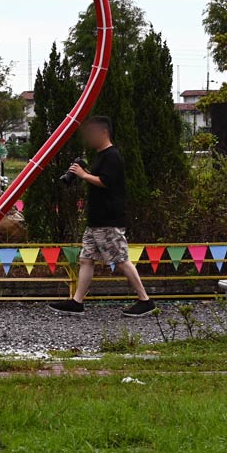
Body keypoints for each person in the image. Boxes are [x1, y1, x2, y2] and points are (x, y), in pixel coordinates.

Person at [50, 115, 155, 317]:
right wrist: (84, 173)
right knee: (86, 259)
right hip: (95, 222)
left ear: (104, 132)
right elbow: (99, 179)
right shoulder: (100, 156)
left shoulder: (112, 156)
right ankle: (77, 301)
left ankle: (145, 300)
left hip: (108, 221)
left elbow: (106, 182)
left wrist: (83, 174)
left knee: (121, 259)